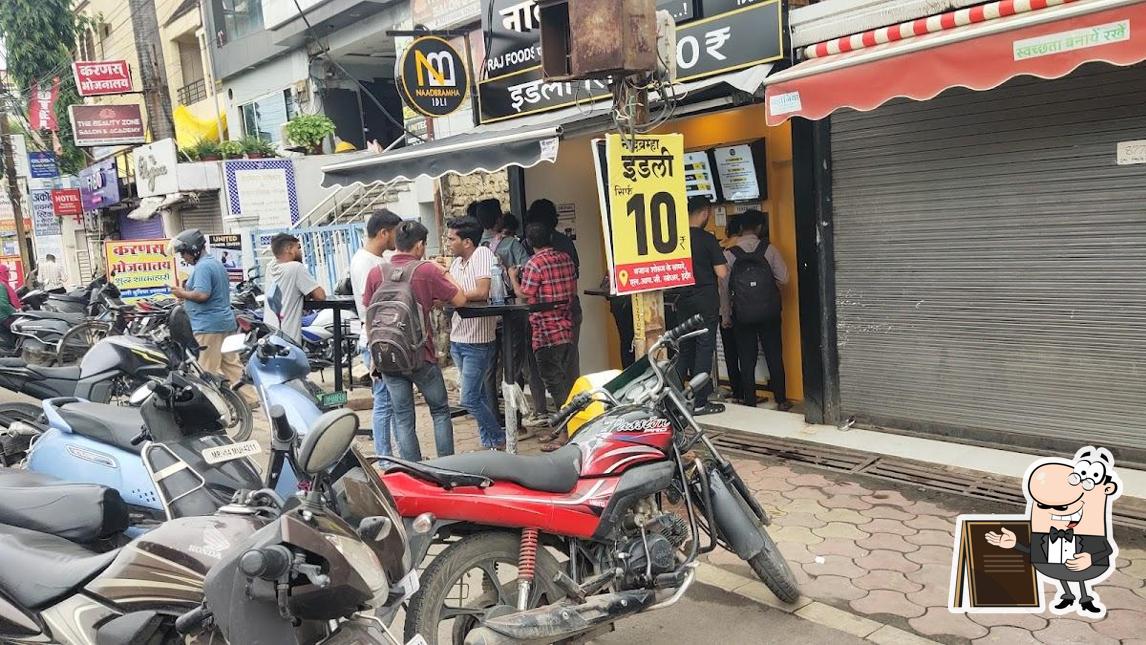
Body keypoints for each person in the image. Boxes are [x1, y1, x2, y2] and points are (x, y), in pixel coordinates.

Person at [363, 220, 467, 461]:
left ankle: (413, 471)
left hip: (388, 356)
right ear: (419, 245)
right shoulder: (426, 271)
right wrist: (444, 271)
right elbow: (460, 300)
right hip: (421, 356)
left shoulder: (376, 273)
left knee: (402, 416)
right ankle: (446, 466)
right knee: (440, 411)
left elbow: (370, 313)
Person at [508, 222, 577, 452]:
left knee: (555, 385)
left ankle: (566, 433)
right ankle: (563, 428)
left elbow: (525, 296)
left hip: (546, 332)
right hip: (566, 326)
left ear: (528, 242)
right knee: (566, 381)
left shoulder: (534, 264)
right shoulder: (566, 258)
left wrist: (512, 277)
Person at [720, 210, 791, 411]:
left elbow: (724, 288)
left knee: (746, 356)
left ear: (740, 228)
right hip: (769, 313)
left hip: (742, 314)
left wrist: (726, 315)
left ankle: (750, 400)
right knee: (774, 354)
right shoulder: (770, 250)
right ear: (760, 228)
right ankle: (782, 399)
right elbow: (785, 279)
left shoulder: (729, 254)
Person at [446, 216, 504, 450]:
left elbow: (481, 292)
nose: (448, 242)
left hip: (478, 340)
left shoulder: (482, 255)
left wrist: (452, 289)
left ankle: (498, 436)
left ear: (467, 241)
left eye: (452, 238)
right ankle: (489, 442)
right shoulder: (456, 263)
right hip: (457, 338)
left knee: (468, 398)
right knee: (477, 395)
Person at [351, 209, 402, 457]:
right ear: (384, 233)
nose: (397, 239)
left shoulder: (377, 260)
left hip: (383, 337)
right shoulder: (366, 263)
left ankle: (393, 453)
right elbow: (372, 307)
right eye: (395, 233)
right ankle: (384, 457)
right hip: (377, 339)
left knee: (390, 401)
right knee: (383, 401)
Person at [674, 197, 729, 415]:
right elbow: (722, 272)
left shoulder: (675, 238)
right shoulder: (707, 239)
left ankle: (675, 400)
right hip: (705, 300)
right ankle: (699, 402)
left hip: (683, 299)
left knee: (684, 348)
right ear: (705, 212)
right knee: (704, 348)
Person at [171, 229, 244, 390]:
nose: (183, 257)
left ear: (193, 249)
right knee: (232, 367)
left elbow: (202, 294)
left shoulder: (203, 267)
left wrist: (181, 293)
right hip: (224, 323)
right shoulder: (215, 263)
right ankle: (250, 402)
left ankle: (213, 408)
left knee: (206, 372)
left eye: (183, 253)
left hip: (208, 327)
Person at [526, 199, 582, 379]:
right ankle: (576, 402)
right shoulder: (565, 243)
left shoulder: (530, 248)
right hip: (570, 309)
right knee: (570, 363)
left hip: (543, 318)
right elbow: (576, 273)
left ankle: (544, 406)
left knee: (544, 368)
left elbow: (527, 290)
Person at [264, 233, 325, 344]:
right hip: (288, 339)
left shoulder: (270, 268)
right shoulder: (296, 268)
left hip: (270, 336)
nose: (300, 252)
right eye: (298, 247)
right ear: (289, 249)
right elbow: (320, 296)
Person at [719, 215, 743, 399]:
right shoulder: (762, 247)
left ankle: (738, 391)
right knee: (747, 352)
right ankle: (749, 392)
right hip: (746, 310)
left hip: (725, 310)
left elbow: (723, 286)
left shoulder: (724, 250)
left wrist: (725, 315)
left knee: (731, 354)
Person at [0, 264, 22, 348]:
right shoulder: (1, 285)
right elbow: (2, 304)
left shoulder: (4, 284)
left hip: (4, 315)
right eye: (6, 272)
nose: (8, 274)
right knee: (21, 329)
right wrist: (15, 312)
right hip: (3, 316)